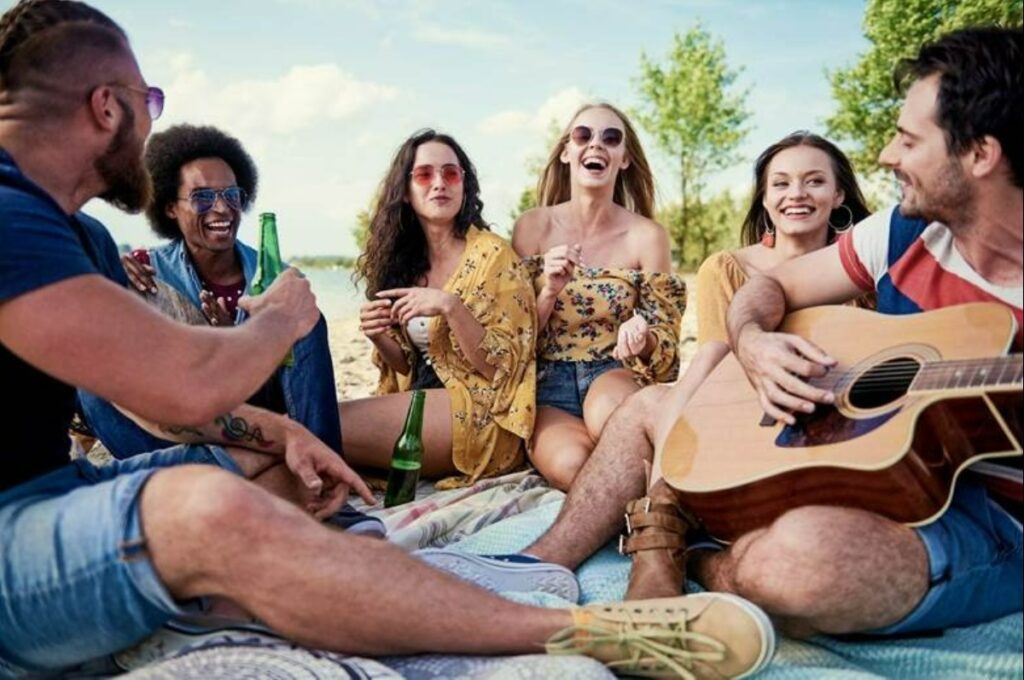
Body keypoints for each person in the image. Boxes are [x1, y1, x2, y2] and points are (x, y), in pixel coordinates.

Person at [0, 2, 777, 678]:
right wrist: (285, 316)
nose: (151, 125)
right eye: (150, 101)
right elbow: (183, 386)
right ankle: (570, 632)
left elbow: (164, 407)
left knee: (277, 469)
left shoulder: (78, 237)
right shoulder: (10, 217)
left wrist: (277, 431)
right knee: (202, 505)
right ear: (108, 107)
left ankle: (287, 586)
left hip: (59, 491)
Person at [430, 26, 1023, 640]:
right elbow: (775, 288)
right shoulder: (902, 233)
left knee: (796, 559)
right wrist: (755, 341)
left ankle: (703, 561)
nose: (887, 156)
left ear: (980, 154)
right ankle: (544, 559)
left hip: (989, 516)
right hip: (865, 460)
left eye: (907, 139)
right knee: (649, 406)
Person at [344, 129, 538, 489]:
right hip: (426, 403)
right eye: (424, 174)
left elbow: (504, 371)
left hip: (481, 414)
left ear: (464, 185)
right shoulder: (404, 264)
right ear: (405, 190)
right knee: (309, 433)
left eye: (451, 173)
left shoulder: (493, 256)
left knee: (325, 424)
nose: (439, 184)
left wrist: (451, 307)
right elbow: (408, 365)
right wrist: (379, 337)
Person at [512, 102, 685, 490]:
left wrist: (644, 338)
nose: (596, 145)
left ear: (624, 159)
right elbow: (512, 340)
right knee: (575, 468)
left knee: (623, 438)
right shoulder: (532, 226)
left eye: (611, 138)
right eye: (583, 135)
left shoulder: (647, 236)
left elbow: (668, 348)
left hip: (612, 371)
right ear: (566, 152)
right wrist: (548, 292)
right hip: (546, 385)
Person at [695, 131, 873, 347]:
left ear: (838, 195)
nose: (797, 194)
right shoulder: (723, 271)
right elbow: (714, 367)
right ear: (764, 199)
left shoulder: (869, 267)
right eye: (781, 183)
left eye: (815, 181)